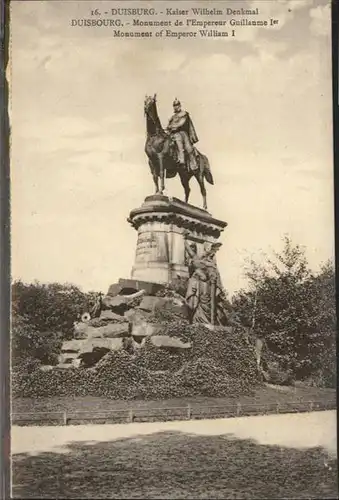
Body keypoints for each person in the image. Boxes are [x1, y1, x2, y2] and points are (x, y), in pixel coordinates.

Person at [184, 235, 227, 325]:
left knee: (207, 301)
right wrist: (184, 240)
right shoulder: (200, 261)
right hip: (201, 284)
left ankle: (206, 321)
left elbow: (213, 274)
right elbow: (190, 252)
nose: (211, 255)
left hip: (208, 284)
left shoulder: (207, 263)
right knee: (202, 301)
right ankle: (200, 320)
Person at [166, 98, 199, 172]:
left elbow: (181, 123)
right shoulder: (172, 117)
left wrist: (172, 127)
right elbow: (169, 126)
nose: (176, 107)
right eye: (174, 106)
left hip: (183, 133)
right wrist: (168, 128)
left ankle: (193, 165)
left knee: (188, 148)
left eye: (177, 105)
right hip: (174, 134)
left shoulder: (184, 114)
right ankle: (179, 162)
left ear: (180, 105)